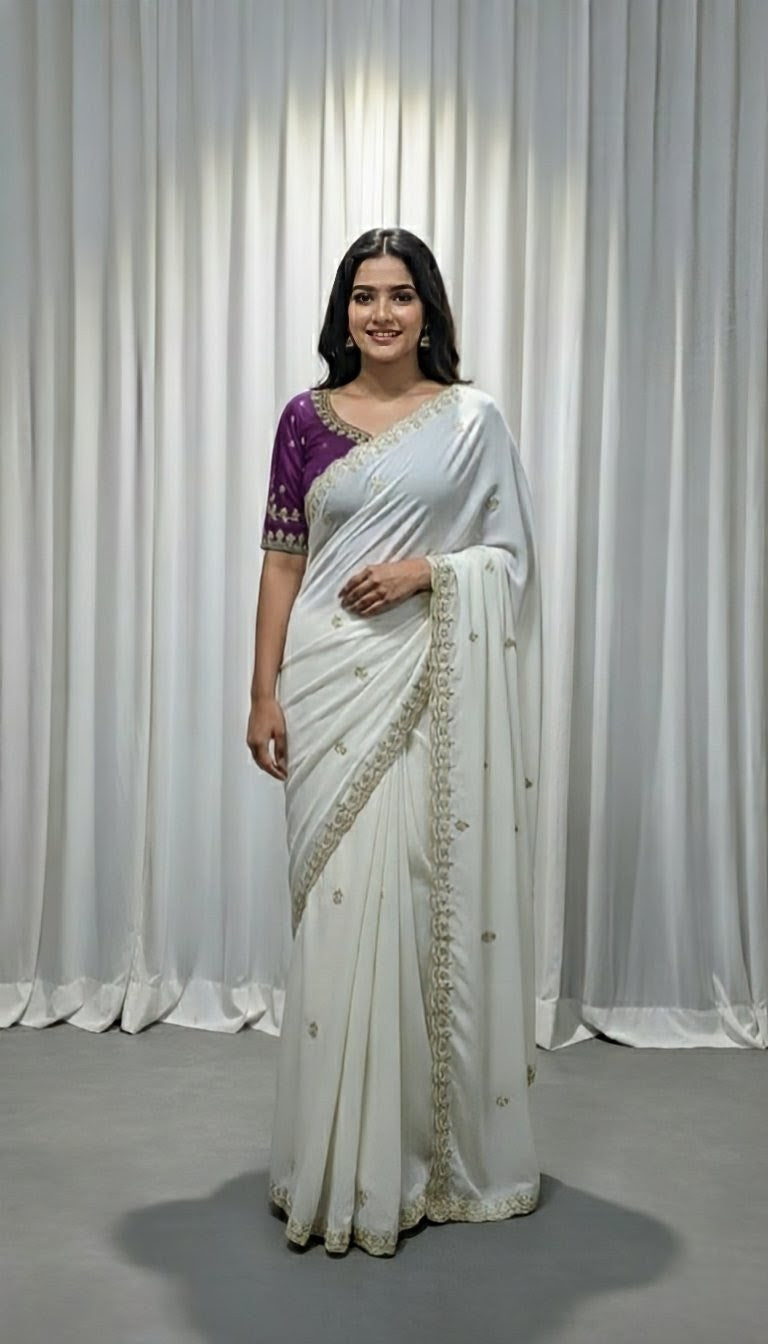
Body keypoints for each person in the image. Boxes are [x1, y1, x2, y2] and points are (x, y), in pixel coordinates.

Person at [247, 227, 542, 1257]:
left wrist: (429, 573)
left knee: (412, 898)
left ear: (430, 311)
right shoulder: (305, 420)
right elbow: (284, 563)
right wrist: (262, 691)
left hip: (423, 682)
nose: (381, 313)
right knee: (331, 913)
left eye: (401, 295)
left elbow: (509, 556)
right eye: (364, 296)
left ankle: (409, 1155)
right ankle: (328, 1157)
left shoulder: (469, 421)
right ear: (343, 312)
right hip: (329, 686)